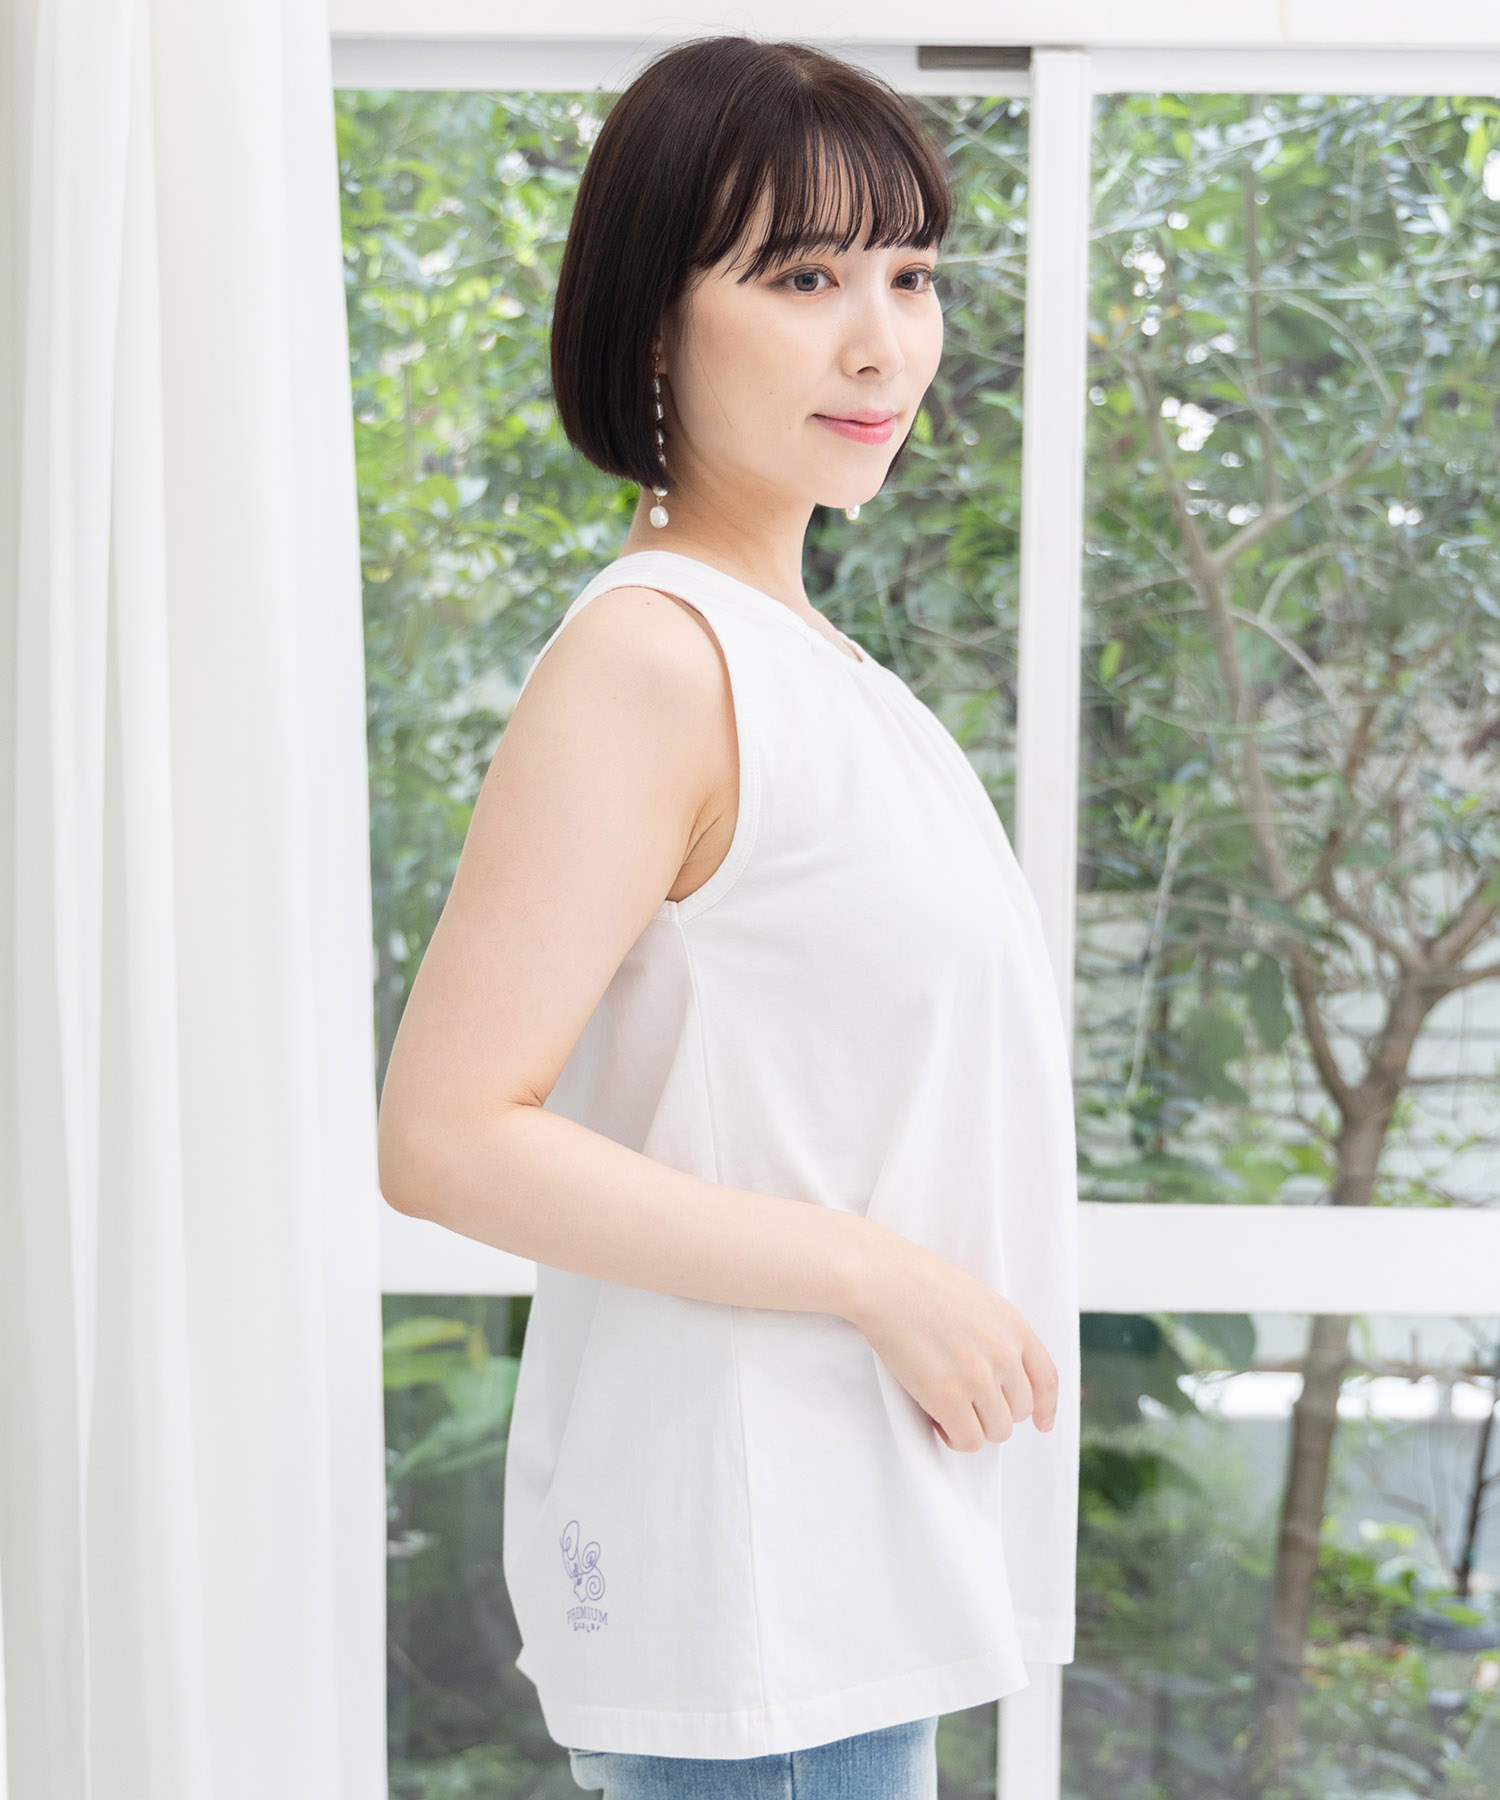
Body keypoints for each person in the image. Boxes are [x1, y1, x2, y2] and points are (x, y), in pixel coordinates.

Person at [376, 32, 1081, 1800]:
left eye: (911, 273)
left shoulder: (818, 670)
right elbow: (446, 1134)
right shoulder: (654, 662)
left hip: (850, 1565)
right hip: (760, 1584)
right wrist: (874, 1276)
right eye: (804, 277)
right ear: (652, 322)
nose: (883, 342)